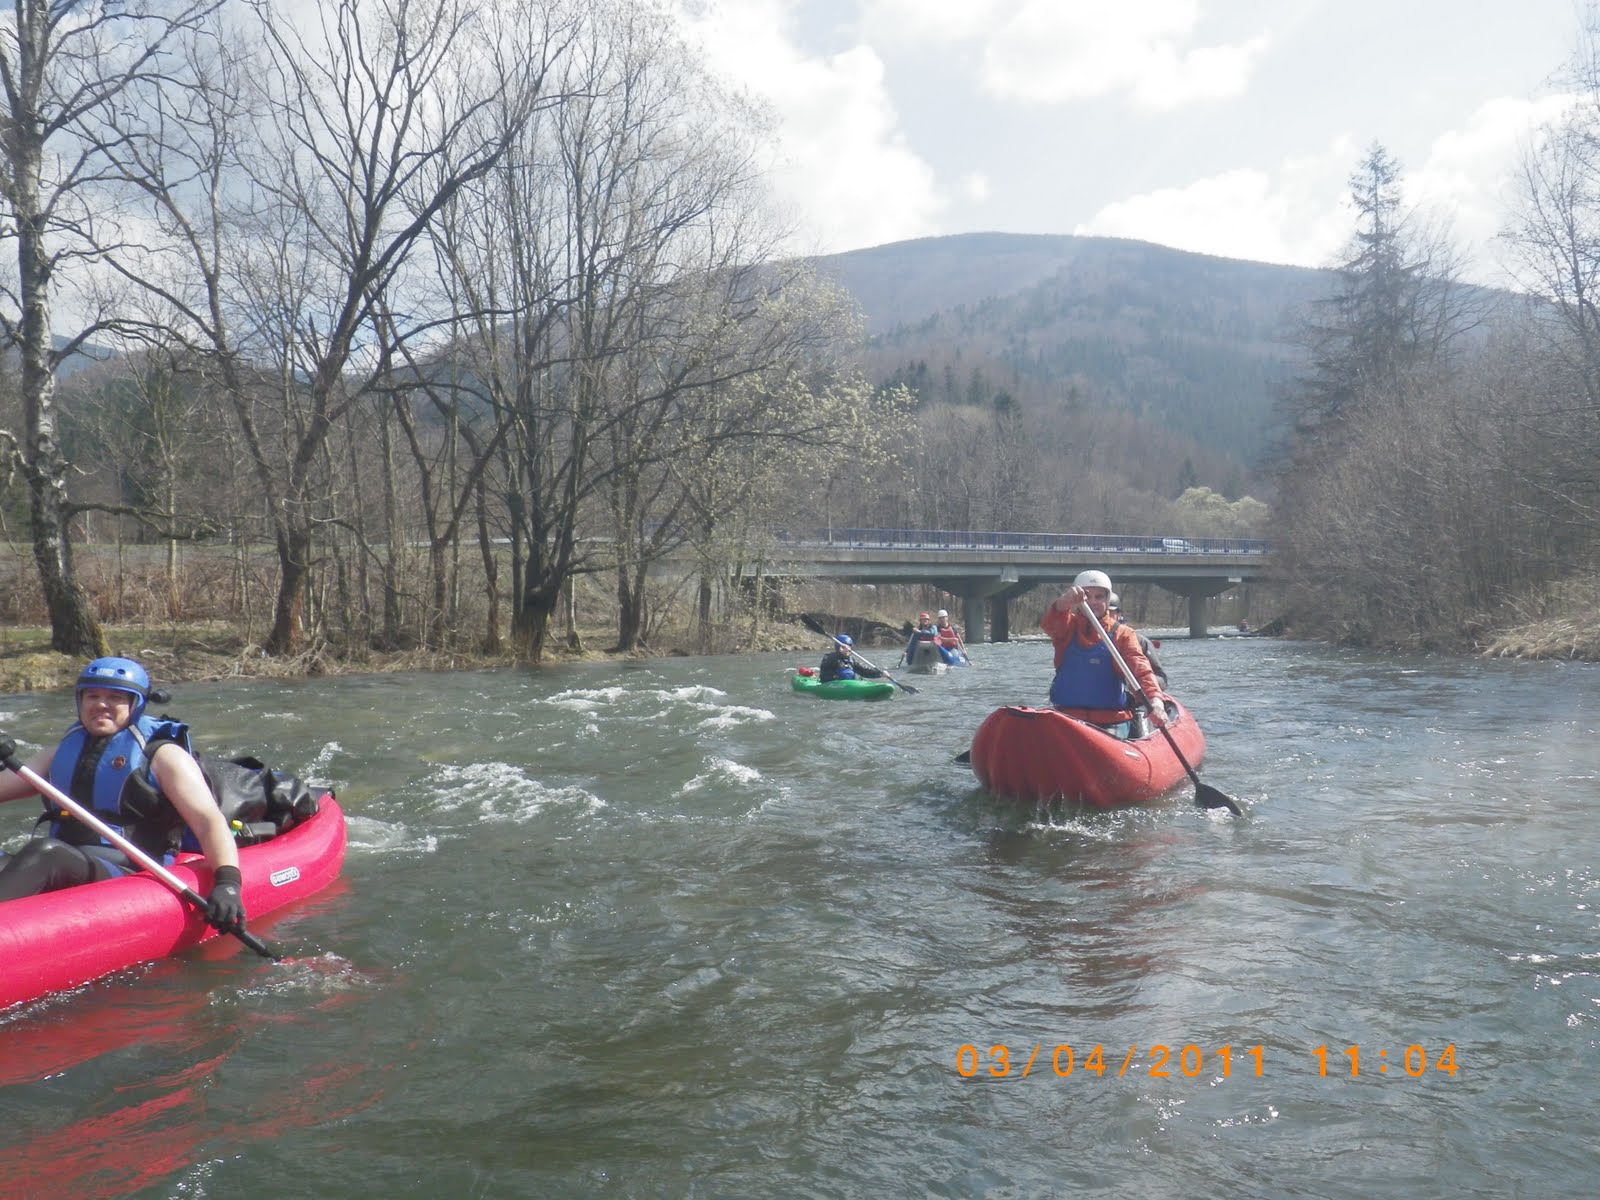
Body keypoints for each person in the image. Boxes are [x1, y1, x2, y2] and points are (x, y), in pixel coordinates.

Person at [0, 657, 247, 932]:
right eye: (92, 696)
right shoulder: (59, 752)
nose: (101, 704)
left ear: (135, 704)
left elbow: (208, 821)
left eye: (115, 697)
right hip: (69, 861)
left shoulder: (165, 756)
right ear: (80, 701)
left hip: (130, 871)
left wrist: (228, 883)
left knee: (47, 853)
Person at [1041, 571, 1171, 739]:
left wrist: (1155, 701)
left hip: (1110, 720)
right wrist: (1063, 602)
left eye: (1099, 597)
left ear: (1107, 599)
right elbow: (1050, 623)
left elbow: (1141, 670)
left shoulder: (1123, 634)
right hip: (1067, 717)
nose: (1093, 602)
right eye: (1087, 596)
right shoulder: (1066, 628)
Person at [1108, 592, 1167, 690]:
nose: (1105, 617)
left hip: (1131, 692)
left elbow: (1162, 679)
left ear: (1119, 615)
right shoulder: (1084, 640)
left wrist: (1140, 684)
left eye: (1109, 612)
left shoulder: (1140, 641)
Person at [820, 634, 885, 682]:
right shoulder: (830, 657)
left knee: (849, 673)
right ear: (838, 648)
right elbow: (823, 675)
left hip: (849, 685)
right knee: (843, 673)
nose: (848, 649)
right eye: (843, 647)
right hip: (832, 684)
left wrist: (880, 674)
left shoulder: (851, 660)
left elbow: (864, 671)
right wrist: (835, 677)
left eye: (849, 646)